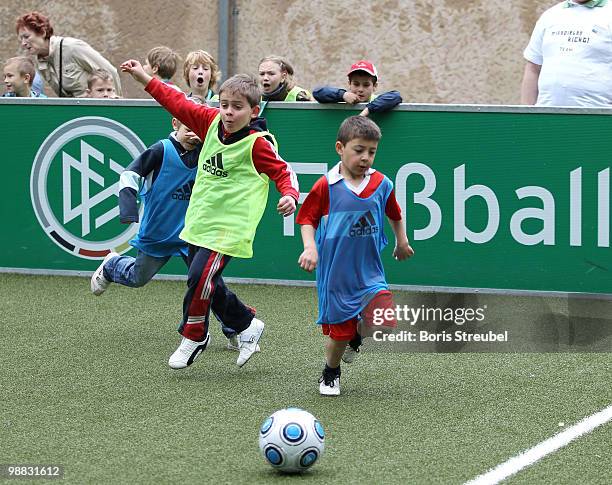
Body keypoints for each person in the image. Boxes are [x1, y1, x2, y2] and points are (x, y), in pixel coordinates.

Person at [120, 58, 299, 369]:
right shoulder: (210, 121)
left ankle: (194, 335)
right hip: (201, 220)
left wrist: (290, 195)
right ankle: (246, 324)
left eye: (237, 107)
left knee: (200, 276)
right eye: (225, 105)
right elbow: (174, 101)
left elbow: (284, 172)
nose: (228, 112)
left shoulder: (258, 145)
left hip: (229, 227)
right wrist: (142, 77)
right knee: (207, 281)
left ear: (253, 112)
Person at [90, 104, 248, 351]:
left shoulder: (208, 152)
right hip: (158, 233)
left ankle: (234, 329)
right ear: (175, 124)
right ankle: (112, 266)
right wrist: (128, 207)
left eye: (198, 129)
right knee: (137, 277)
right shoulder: (160, 150)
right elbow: (129, 175)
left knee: (209, 284)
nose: (194, 134)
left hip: (192, 235)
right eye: (188, 128)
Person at [297, 116, 414, 396]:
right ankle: (331, 372)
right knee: (338, 334)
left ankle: (356, 336)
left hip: (369, 272)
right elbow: (307, 218)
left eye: (371, 152)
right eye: (359, 150)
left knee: (384, 320)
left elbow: (395, 214)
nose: (365, 158)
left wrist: (402, 241)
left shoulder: (382, 184)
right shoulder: (326, 185)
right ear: (340, 147)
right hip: (336, 275)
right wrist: (310, 247)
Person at [521, 0, 612, 106]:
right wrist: (526, 113)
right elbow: (533, 68)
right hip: (546, 114)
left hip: (598, 116)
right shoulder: (550, 15)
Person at [15, 11, 122, 98]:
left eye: (26, 37)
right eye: (21, 39)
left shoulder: (72, 47)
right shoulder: (41, 62)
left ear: (42, 32)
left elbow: (110, 72)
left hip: (98, 112)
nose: (23, 43)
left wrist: (115, 109)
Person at [313, 60, 402, 117]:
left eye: (366, 85)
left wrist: (367, 110)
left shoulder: (377, 100)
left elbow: (396, 96)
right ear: (349, 84)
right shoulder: (343, 98)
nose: (360, 89)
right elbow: (317, 92)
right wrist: (342, 95)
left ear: (374, 86)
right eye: (356, 84)